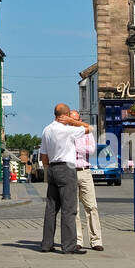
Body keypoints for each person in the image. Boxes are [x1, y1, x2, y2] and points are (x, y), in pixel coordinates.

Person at [39, 103, 93, 254]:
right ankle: (68, 246)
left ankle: (46, 244)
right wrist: (73, 122)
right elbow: (89, 128)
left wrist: (48, 169)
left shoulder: (47, 130)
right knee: (69, 209)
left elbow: (44, 155)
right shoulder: (68, 130)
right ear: (66, 115)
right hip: (67, 168)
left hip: (52, 168)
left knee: (51, 208)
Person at [72, 110, 104, 251]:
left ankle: (96, 240)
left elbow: (91, 150)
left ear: (79, 120)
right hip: (70, 172)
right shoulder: (66, 134)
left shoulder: (87, 133)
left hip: (85, 172)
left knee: (92, 206)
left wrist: (76, 146)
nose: (73, 123)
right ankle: (77, 240)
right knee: (74, 209)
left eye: (75, 120)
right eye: (70, 120)